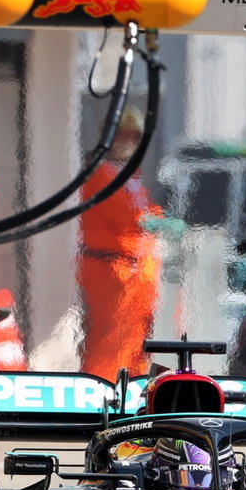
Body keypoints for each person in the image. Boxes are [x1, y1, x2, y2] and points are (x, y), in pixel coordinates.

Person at [78, 108, 161, 379]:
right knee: (110, 341)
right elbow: (127, 218)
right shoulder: (99, 173)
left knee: (134, 342)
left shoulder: (129, 175)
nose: (131, 142)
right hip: (110, 268)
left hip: (133, 272)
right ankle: (101, 389)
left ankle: (130, 391)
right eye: (125, 135)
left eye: (136, 137)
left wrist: (158, 219)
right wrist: (152, 222)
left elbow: (143, 213)